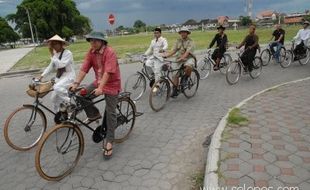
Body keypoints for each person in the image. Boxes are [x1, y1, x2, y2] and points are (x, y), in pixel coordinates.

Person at [70, 31, 121, 159]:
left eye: (95, 40)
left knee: (110, 113)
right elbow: (84, 69)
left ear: (102, 41)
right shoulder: (91, 52)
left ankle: (109, 141)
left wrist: (101, 88)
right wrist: (76, 84)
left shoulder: (110, 52)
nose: (92, 43)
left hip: (112, 84)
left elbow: (108, 73)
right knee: (81, 95)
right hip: (99, 82)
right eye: (91, 40)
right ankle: (94, 114)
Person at [38, 34, 75, 112]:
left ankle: (69, 102)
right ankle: (60, 115)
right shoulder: (55, 55)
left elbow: (61, 65)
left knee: (57, 87)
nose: (54, 46)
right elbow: (50, 67)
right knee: (54, 98)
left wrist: (52, 55)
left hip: (68, 76)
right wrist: (41, 76)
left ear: (61, 44)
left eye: (55, 43)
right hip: (60, 77)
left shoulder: (67, 53)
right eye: (52, 44)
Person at [164, 26, 195, 98]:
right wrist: (166, 56)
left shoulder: (190, 41)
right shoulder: (178, 41)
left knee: (188, 66)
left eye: (184, 32)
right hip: (179, 59)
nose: (183, 34)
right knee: (175, 74)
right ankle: (175, 90)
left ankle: (186, 78)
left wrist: (183, 57)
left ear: (187, 33)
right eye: (181, 32)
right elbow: (174, 50)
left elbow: (187, 52)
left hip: (189, 58)